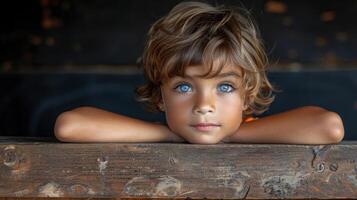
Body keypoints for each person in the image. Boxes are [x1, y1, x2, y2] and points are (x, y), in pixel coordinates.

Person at [54, 1, 344, 144]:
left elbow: (329, 127)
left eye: (225, 87)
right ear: (159, 96)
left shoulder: (252, 128)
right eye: (183, 87)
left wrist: (234, 134)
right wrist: (166, 134)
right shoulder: (169, 130)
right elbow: (69, 126)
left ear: (247, 95)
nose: (204, 106)